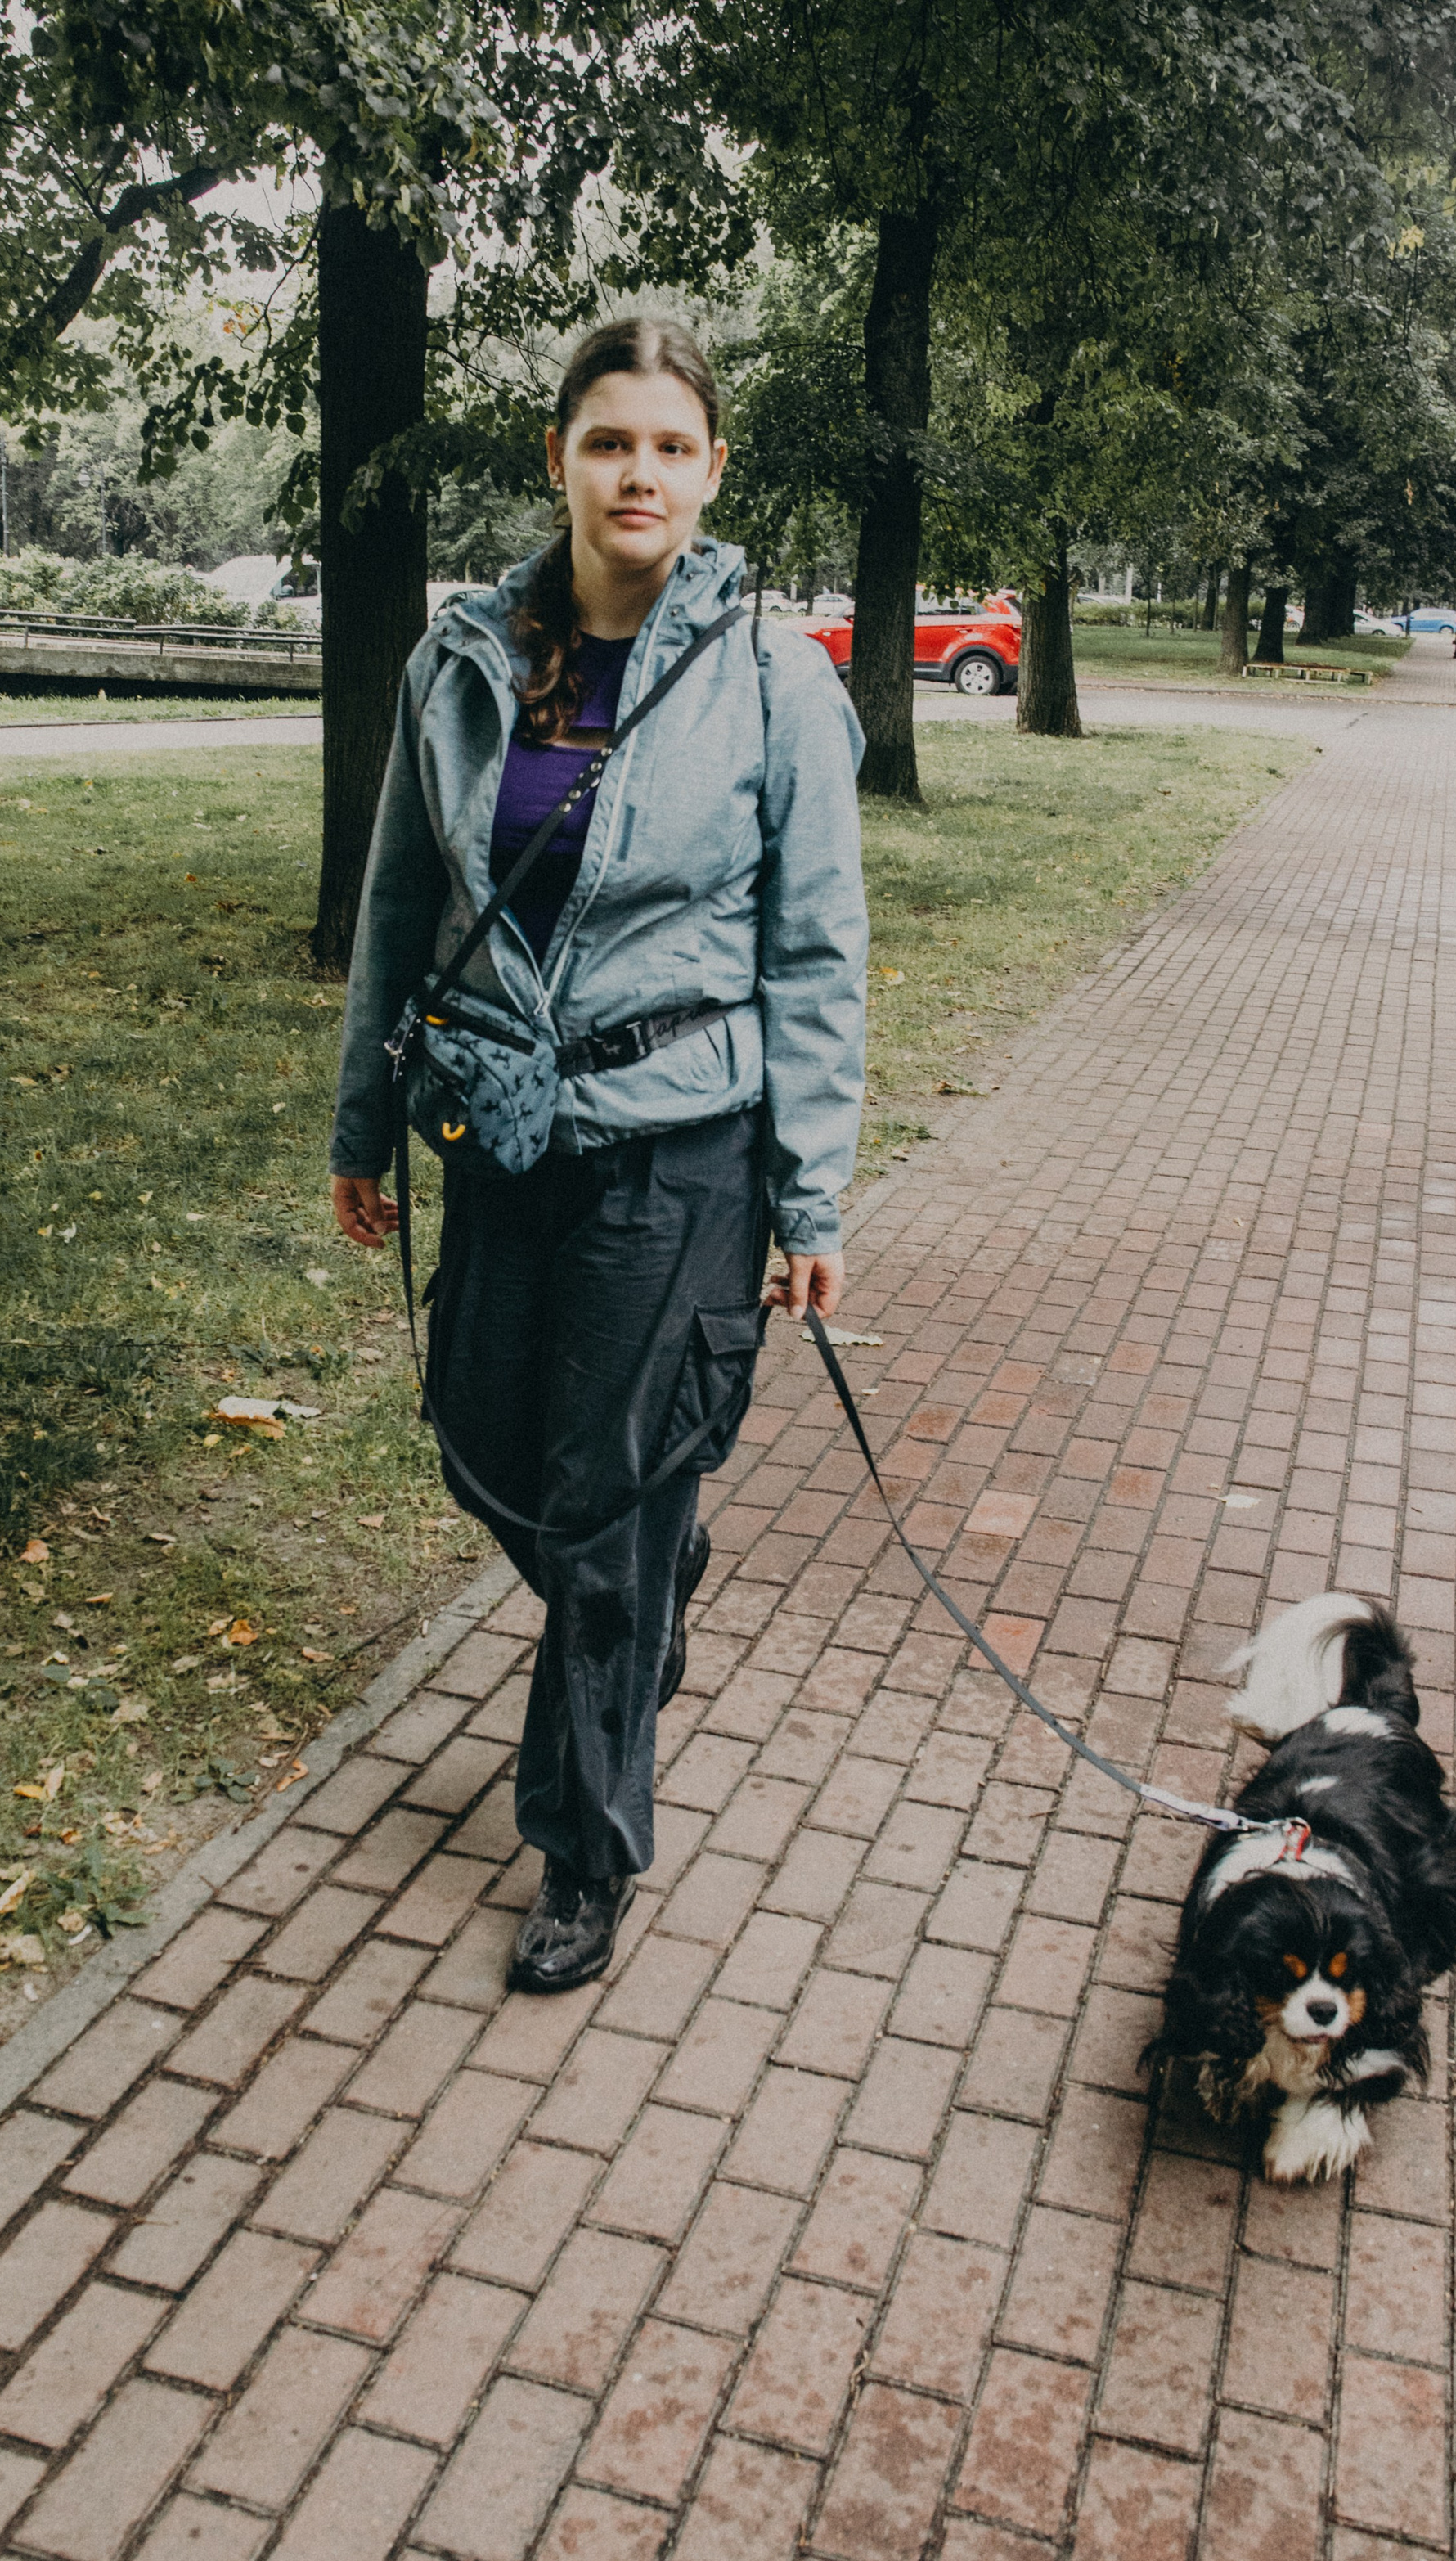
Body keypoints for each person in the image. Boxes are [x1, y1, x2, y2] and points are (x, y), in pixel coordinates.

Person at [330, 316, 867, 1994]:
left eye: (669, 446)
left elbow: (815, 951)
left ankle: (582, 1841)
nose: (636, 473)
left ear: (713, 471)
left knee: (606, 1498)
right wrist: (361, 1119)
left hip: (678, 1145)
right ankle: (641, 1570)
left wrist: (806, 1191)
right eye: (605, 441)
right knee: (482, 1437)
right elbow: (396, 904)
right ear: (556, 459)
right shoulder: (459, 661)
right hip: (501, 1128)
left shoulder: (774, 678)